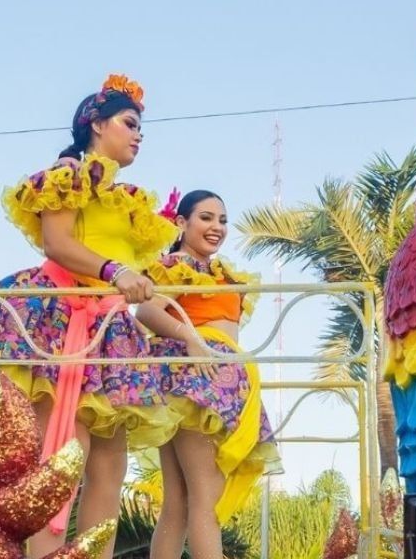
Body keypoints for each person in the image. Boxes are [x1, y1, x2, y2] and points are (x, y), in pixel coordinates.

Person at [0, 74, 178, 558]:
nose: (138, 135)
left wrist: (188, 336)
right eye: (129, 123)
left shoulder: (130, 199)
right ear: (96, 123)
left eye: (141, 128)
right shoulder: (69, 173)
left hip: (112, 331)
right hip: (61, 319)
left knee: (111, 469)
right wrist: (114, 270)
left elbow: (140, 284)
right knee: (58, 457)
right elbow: (59, 243)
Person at [138, 190, 281, 559]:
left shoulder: (223, 274)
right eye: (206, 217)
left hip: (213, 380)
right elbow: (148, 313)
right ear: (182, 223)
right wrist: (191, 338)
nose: (216, 226)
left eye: (222, 219)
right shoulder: (175, 266)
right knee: (205, 498)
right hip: (199, 381)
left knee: (180, 501)